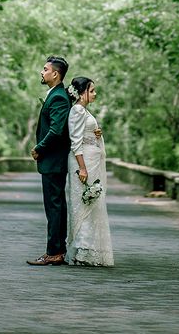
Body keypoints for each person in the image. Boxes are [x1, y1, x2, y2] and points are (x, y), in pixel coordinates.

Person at [65, 76, 114, 267]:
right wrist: (82, 168)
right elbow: (75, 141)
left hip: (91, 161)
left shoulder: (84, 111)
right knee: (84, 204)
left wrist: (96, 134)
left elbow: (85, 133)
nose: (95, 93)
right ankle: (81, 249)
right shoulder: (77, 110)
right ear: (81, 92)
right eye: (91, 90)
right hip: (83, 163)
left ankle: (87, 249)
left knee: (91, 203)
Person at [27, 55, 71, 266]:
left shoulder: (59, 97)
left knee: (54, 207)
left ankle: (54, 252)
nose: (42, 72)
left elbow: (56, 130)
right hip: (54, 161)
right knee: (56, 206)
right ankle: (57, 250)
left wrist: (39, 148)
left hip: (53, 161)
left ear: (55, 74)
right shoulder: (56, 94)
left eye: (45, 69)